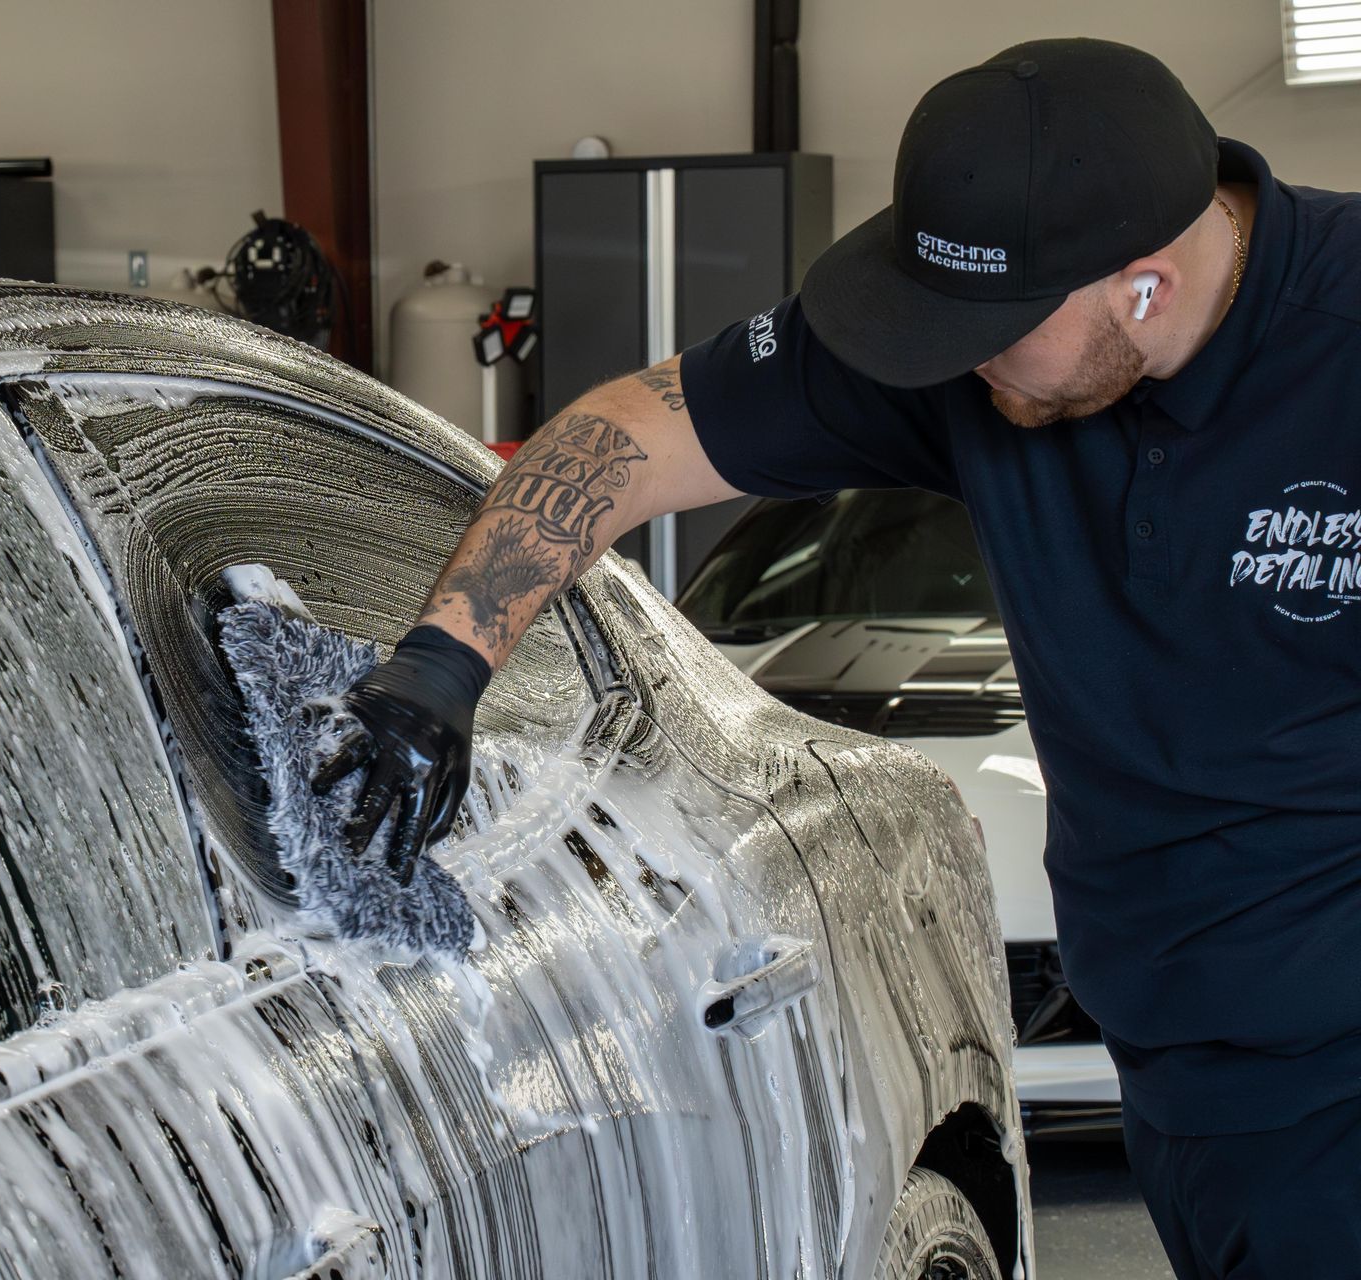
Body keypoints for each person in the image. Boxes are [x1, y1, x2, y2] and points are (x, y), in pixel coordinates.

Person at [315, 36, 1361, 1279]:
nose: (955, 360)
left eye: (987, 331)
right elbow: (624, 435)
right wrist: (443, 659)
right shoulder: (976, 360)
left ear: (1141, 285)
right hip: (1190, 1088)